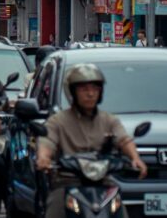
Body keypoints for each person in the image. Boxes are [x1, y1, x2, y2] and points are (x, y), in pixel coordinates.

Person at [35, 64, 147, 218]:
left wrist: (135, 158)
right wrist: (44, 158)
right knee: (54, 208)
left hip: (104, 183)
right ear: (72, 92)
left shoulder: (109, 120)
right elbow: (47, 141)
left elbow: (124, 140)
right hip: (68, 182)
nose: (90, 94)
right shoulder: (58, 121)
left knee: (120, 210)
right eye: (84, 89)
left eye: (95, 89)